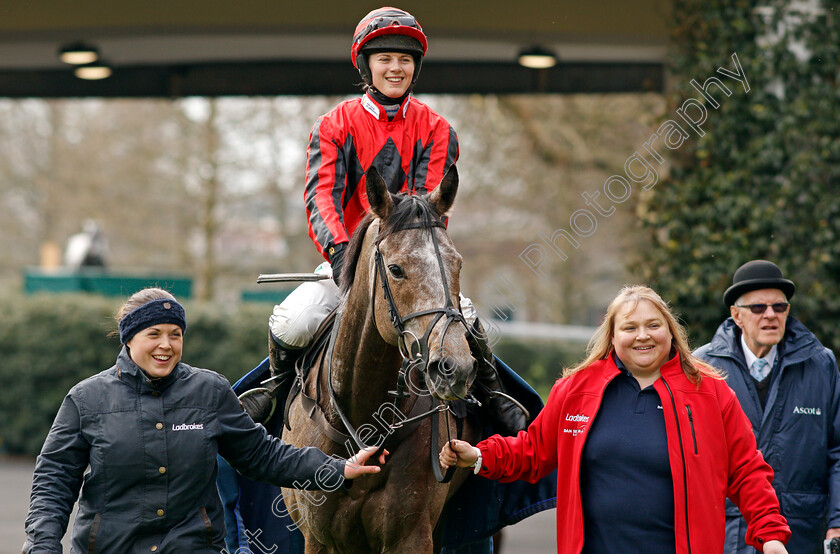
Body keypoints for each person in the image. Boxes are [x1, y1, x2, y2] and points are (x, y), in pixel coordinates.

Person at [244, 6, 525, 434]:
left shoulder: (438, 129)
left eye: (405, 60)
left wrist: (409, 258)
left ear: (415, 67)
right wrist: (341, 254)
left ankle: (492, 397)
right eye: (385, 59)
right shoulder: (333, 124)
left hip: (410, 266)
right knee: (294, 320)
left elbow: (431, 206)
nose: (396, 68)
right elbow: (321, 195)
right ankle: (275, 395)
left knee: (466, 320)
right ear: (366, 65)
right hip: (346, 262)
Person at [23, 287, 386, 553]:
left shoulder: (210, 391)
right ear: (129, 339)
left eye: (175, 335)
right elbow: (54, 480)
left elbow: (265, 456)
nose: (166, 345)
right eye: (154, 334)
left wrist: (337, 469)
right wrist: (42, 545)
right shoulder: (86, 399)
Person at [440, 285, 792, 553]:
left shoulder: (711, 393)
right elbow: (533, 450)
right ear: (612, 335)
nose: (643, 335)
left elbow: (747, 470)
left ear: (670, 332)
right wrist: (480, 455)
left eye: (653, 325)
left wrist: (771, 534)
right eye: (630, 327)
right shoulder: (576, 388)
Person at [694, 259, 840, 554]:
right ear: (736, 315)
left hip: (800, 532)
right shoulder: (702, 367)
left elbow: (837, 451)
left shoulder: (821, 364)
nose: (770, 315)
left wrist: (837, 520)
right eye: (758, 308)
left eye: (780, 307)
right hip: (728, 533)